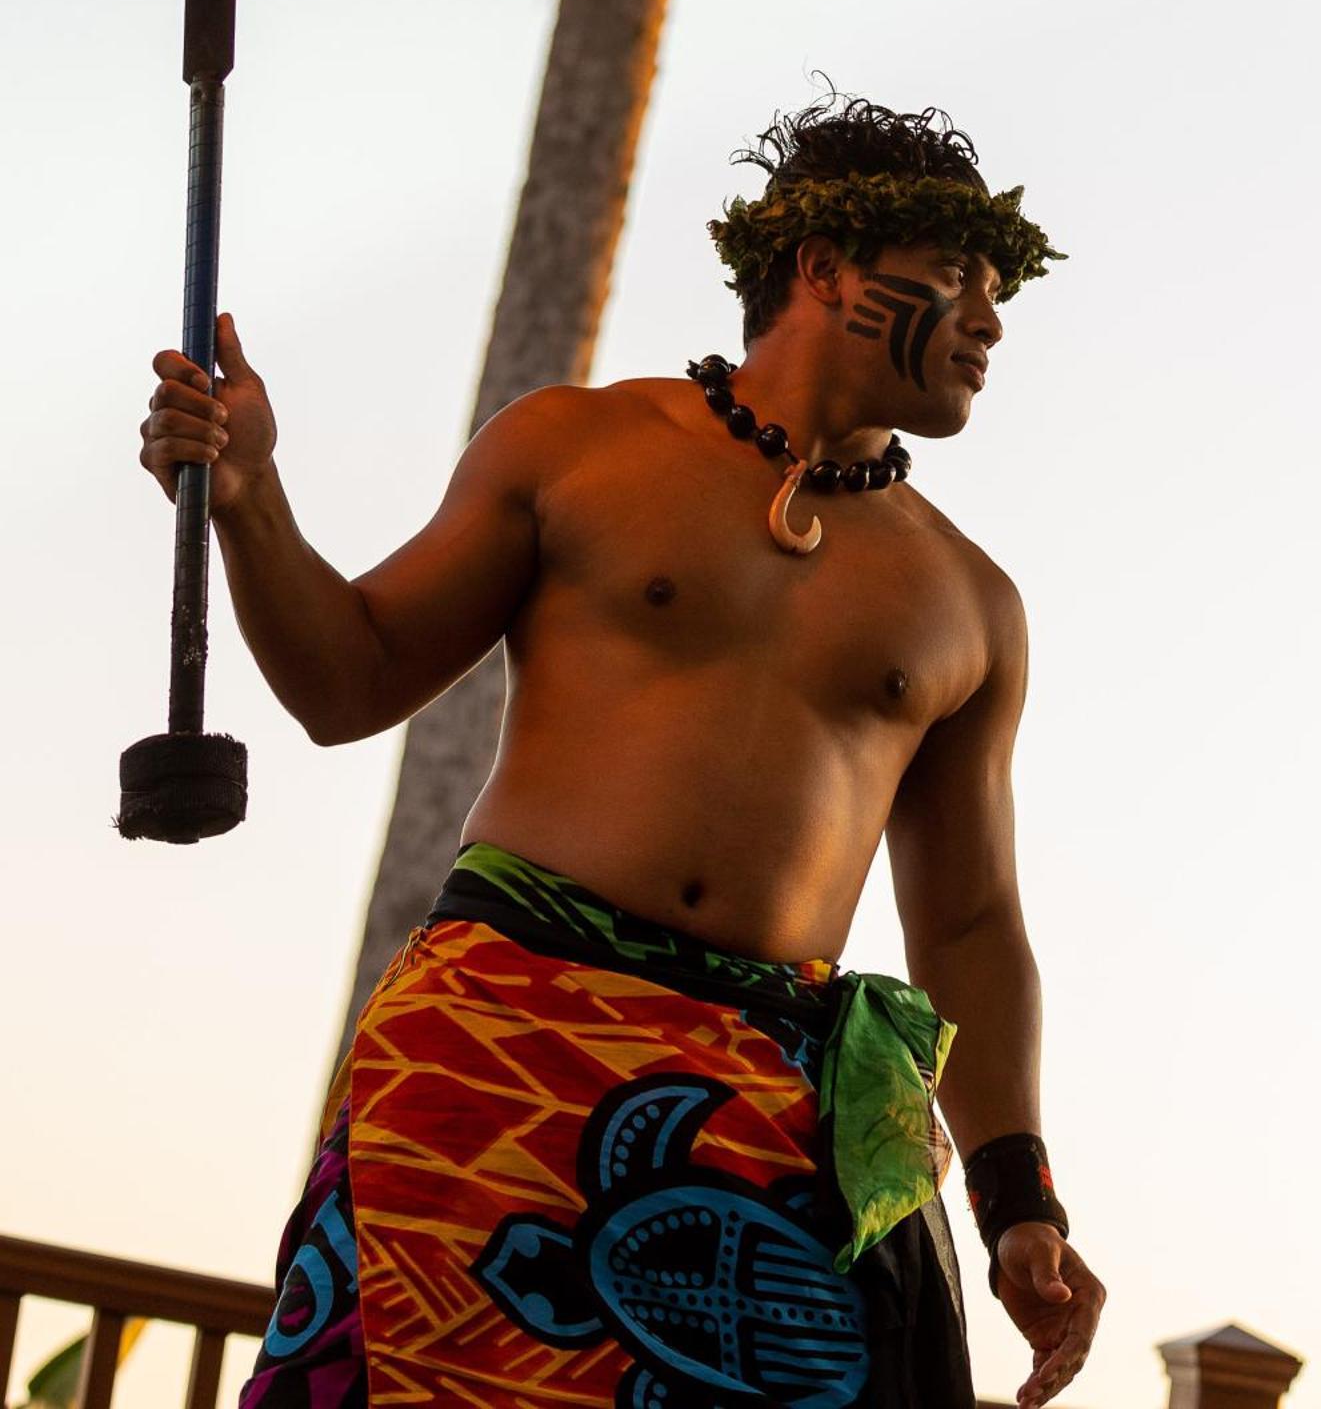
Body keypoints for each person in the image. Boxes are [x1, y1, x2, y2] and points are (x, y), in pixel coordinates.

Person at [138, 93, 1106, 1408]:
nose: (990, 321)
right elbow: (346, 679)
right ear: (823, 268)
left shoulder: (969, 602)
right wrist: (249, 501)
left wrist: (1018, 1195)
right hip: (493, 1041)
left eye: (999, 290)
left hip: (762, 1112)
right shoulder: (577, 445)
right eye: (954, 277)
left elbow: (973, 922)